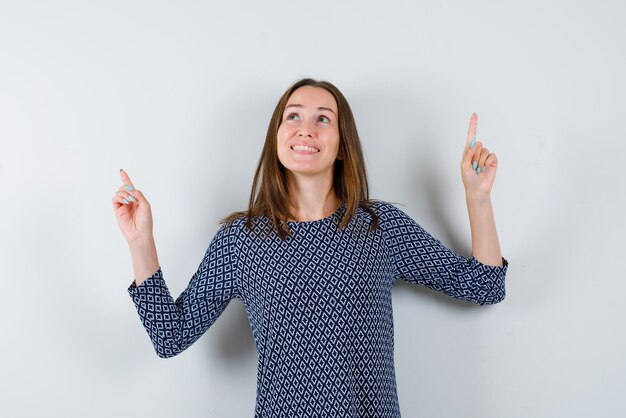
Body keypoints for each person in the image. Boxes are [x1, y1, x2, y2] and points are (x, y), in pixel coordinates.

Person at [112, 78, 509, 417]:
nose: (305, 129)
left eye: (323, 118)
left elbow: (484, 286)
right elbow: (170, 336)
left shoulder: (380, 227)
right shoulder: (241, 241)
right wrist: (141, 242)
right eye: (293, 116)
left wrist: (477, 197)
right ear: (277, 139)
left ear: (340, 146)